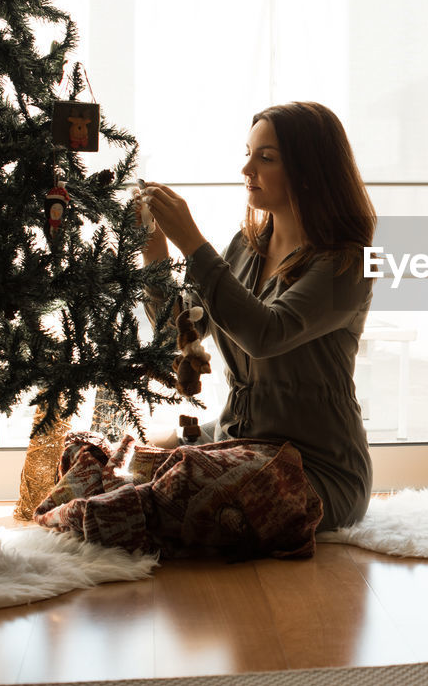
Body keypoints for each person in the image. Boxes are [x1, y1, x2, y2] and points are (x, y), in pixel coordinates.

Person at [139, 101, 376, 532]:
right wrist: (154, 248)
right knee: (136, 459)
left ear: (311, 171)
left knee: (173, 495)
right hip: (239, 441)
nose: (246, 168)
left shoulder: (351, 263)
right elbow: (186, 325)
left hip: (315, 470)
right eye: (248, 153)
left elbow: (266, 334)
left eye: (265, 158)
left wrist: (192, 242)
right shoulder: (246, 247)